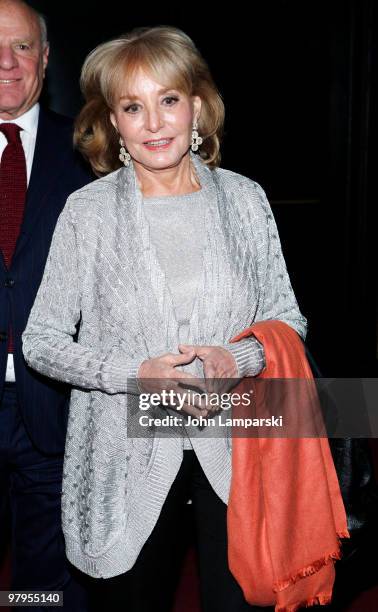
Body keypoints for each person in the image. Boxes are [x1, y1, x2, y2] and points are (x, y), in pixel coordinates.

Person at [22, 26, 307, 612]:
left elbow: (286, 315)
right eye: (133, 107)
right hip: (125, 451)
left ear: (197, 107)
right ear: (115, 122)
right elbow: (42, 341)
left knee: (241, 600)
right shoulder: (89, 213)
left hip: (236, 441)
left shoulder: (245, 199)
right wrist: (135, 372)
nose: (153, 123)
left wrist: (239, 357)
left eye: (168, 100)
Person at [0, 1, 93, 609]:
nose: (7, 63)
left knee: (45, 588)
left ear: (46, 58)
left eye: (23, 47)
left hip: (54, 407)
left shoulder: (94, 153)